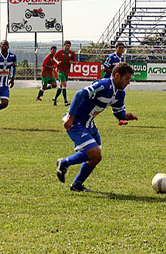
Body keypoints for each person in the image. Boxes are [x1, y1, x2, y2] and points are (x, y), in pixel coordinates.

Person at [56, 62, 138, 192]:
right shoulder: (103, 85)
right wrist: (70, 117)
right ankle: (64, 162)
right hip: (76, 121)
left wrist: (127, 116)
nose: (128, 82)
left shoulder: (119, 94)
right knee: (93, 152)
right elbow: (79, 94)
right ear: (117, 76)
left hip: (89, 124)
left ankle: (77, 184)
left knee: (96, 157)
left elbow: (118, 113)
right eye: (127, 79)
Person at [103, 42, 128, 125]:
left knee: (120, 96)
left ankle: (121, 118)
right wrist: (114, 72)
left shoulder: (122, 58)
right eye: (119, 48)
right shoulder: (111, 57)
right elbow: (105, 68)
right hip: (108, 82)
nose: (121, 49)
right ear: (116, 48)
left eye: (122, 48)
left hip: (117, 83)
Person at [53, 40, 76, 106]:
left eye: (69, 46)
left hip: (66, 71)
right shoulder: (60, 52)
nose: (68, 47)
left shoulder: (72, 53)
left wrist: (72, 62)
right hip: (60, 70)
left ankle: (55, 98)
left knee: (61, 86)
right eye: (66, 46)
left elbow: (75, 61)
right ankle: (65, 101)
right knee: (64, 84)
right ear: (64, 46)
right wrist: (57, 62)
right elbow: (54, 57)